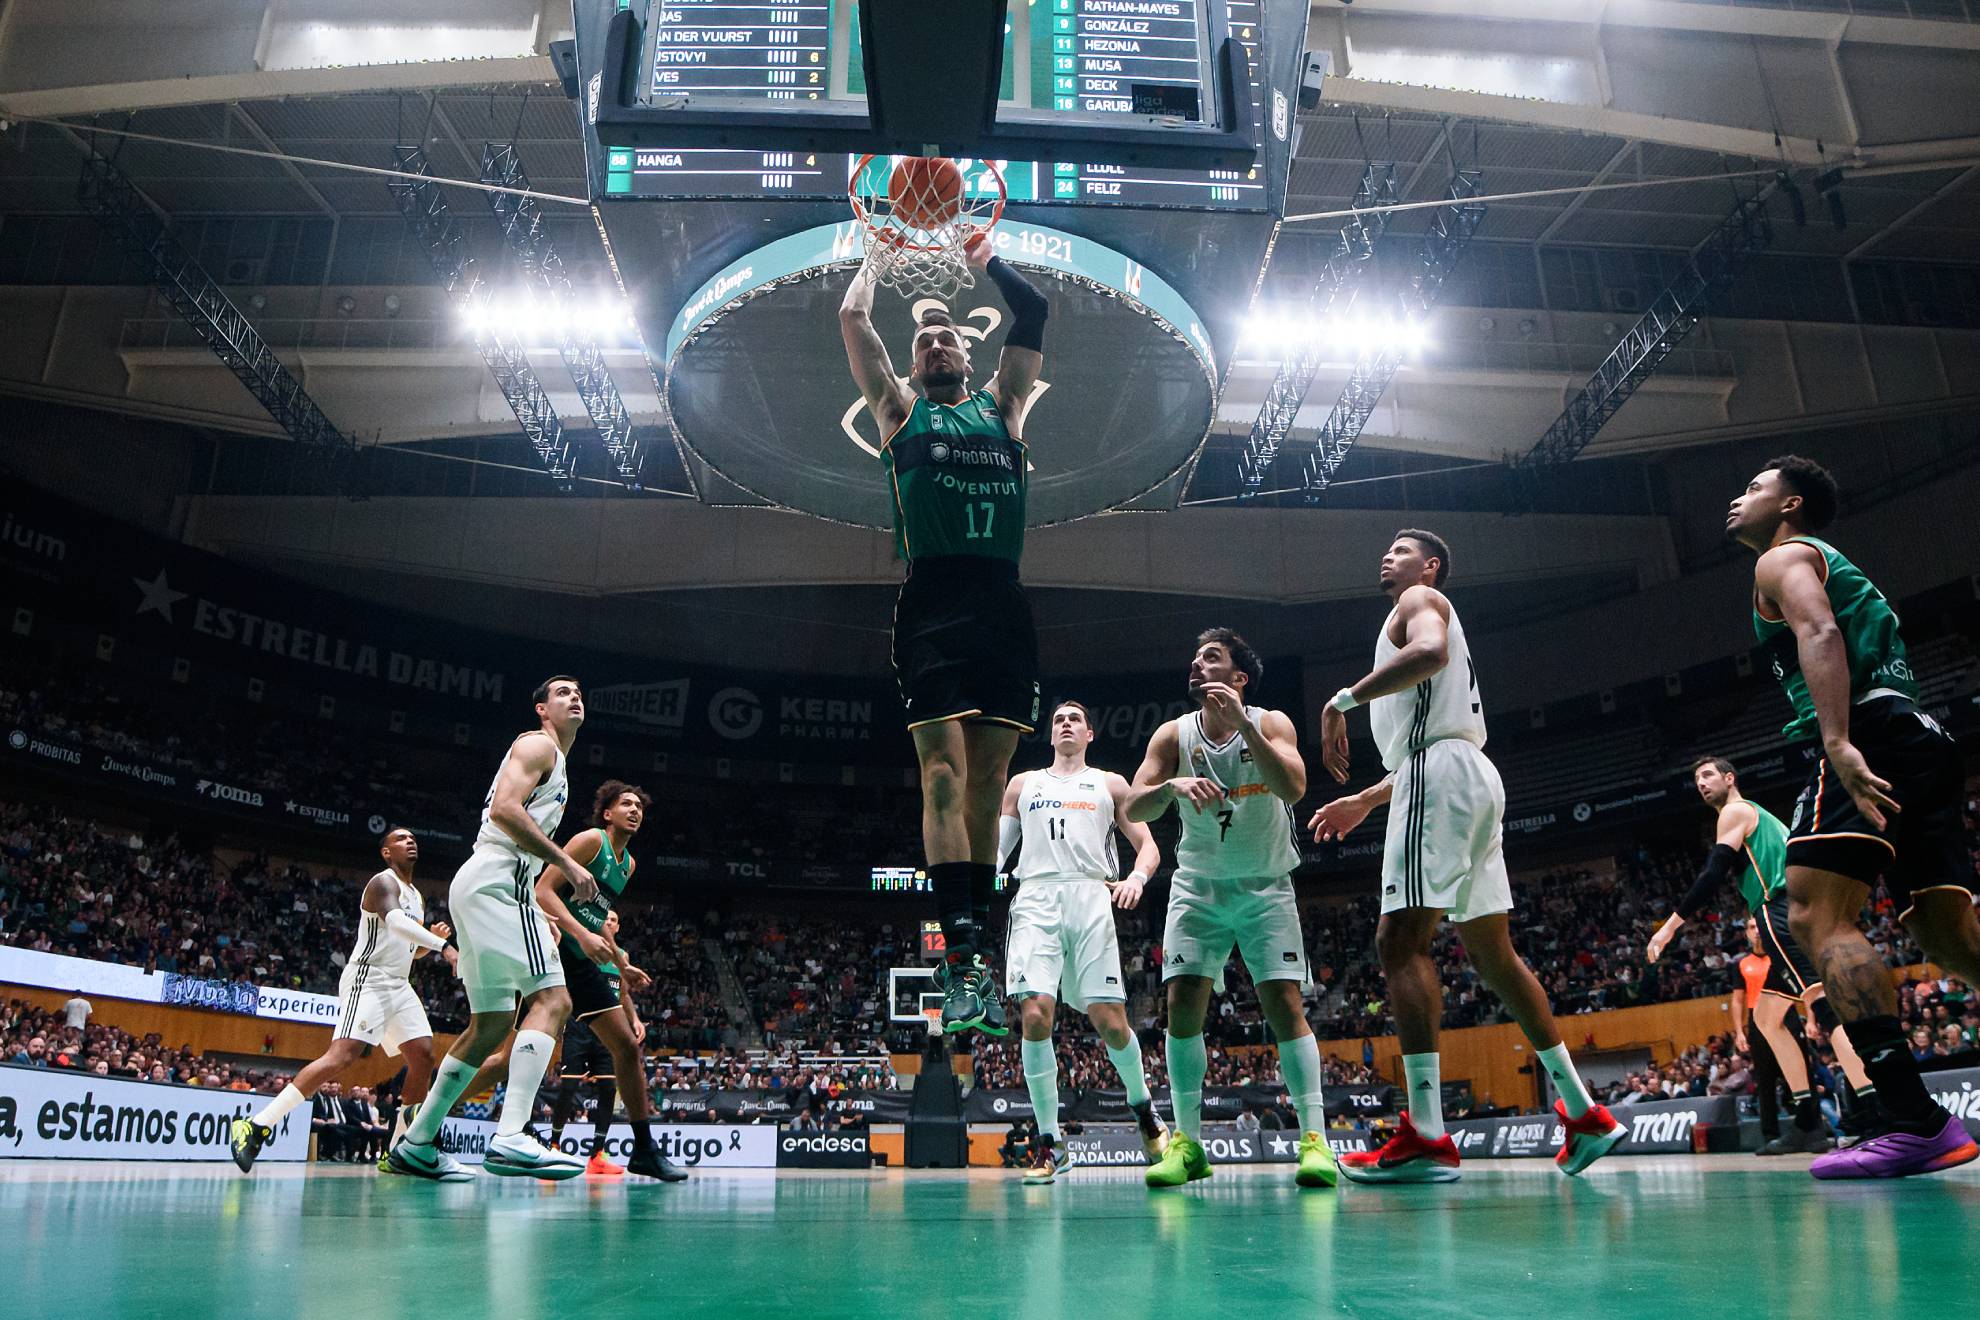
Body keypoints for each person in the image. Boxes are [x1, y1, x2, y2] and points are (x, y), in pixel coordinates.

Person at [1308, 531, 1626, 1183]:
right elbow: (1434, 731)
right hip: (1468, 775)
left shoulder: (1420, 601)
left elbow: (1429, 655)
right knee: (1492, 954)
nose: (1387, 555)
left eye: (1402, 549)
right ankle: (1583, 1109)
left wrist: (1340, 701)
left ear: (1431, 568)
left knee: (1399, 941)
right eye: (1387, 548)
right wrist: (1367, 801)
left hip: (1439, 775)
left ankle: (1426, 1134)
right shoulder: (1414, 614)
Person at [1730, 455, 1980, 1179]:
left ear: (1790, 504)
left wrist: (1835, 740)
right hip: (1921, 734)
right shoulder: (1830, 557)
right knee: (1948, 934)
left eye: (1753, 488)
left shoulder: (1783, 558)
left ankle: (1913, 1121)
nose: (1737, 499)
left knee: (1812, 913)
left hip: (1865, 732)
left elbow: (1820, 632)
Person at [840, 230, 1049, 1037]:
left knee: (991, 789)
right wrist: (878, 257)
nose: (933, 345)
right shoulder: (899, 413)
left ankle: (978, 962)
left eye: (945, 338)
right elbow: (854, 320)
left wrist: (979, 253)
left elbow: (1032, 306)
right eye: (924, 340)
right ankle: (960, 958)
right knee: (942, 779)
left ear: (966, 353)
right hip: (932, 600)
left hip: (1003, 600)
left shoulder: (1006, 405)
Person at [1122, 628, 1338, 1190]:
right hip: (1198, 888)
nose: (1196, 663)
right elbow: (1132, 803)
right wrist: (1172, 785)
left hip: (1266, 886)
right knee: (1182, 1006)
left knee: (1284, 1004)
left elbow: (1292, 787)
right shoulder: (1174, 735)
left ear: (1238, 679)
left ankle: (1314, 1140)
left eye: (1211, 658)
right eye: (1194, 656)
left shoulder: (1271, 722)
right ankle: (1188, 1145)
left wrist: (1244, 725)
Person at [385, 676, 603, 1182]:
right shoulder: (536, 744)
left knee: (489, 1026)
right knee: (554, 1001)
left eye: (579, 693)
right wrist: (567, 866)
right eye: (563, 692)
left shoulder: (557, 762)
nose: (575, 697)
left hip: (492, 885)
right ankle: (511, 1135)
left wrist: (539, 910)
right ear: (541, 708)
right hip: (498, 880)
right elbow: (504, 811)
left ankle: (416, 1144)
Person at [1646, 756, 1872, 1151]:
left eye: (1707, 774)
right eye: (1695, 778)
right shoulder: (1767, 819)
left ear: (1730, 778)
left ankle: (1874, 1109)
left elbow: (1713, 872)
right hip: (1799, 907)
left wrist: (1668, 928)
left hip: (1777, 912)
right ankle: (1807, 1122)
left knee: (1823, 1006)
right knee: (1767, 1018)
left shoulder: (1734, 811)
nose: (1700, 783)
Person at [997, 700, 1170, 1183]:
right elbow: (997, 852)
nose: (1066, 724)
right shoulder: (1022, 784)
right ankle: (1050, 1141)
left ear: (1090, 734)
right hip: (1035, 897)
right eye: (1058, 720)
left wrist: (1137, 876)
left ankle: (1144, 1109)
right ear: (1050, 735)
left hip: (1092, 897)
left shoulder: (1110, 783)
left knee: (1112, 1023)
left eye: (1075, 719)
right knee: (1033, 1013)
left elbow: (1149, 846)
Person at [230, 827, 457, 1174]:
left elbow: (410, 951)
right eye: (400, 838)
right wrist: (443, 947)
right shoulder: (383, 883)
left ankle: (399, 1150)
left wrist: (428, 943)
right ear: (386, 852)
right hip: (369, 977)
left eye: (413, 838)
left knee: (424, 1055)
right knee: (343, 1055)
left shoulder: (417, 896)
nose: (410, 841)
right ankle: (257, 1125)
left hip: (399, 982)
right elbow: (396, 924)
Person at [533, 786, 687, 1182]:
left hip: (583, 959)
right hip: (549, 949)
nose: (635, 811)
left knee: (626, 1046)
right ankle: (428, 1123)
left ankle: (644, 1150)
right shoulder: (589, 842)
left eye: (639, 806)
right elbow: (543, 891)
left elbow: (596, 913)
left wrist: (621, 962)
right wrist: (578, 935)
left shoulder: (627, 865)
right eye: (627, 805)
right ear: (607, 813)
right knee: (501, 1048)